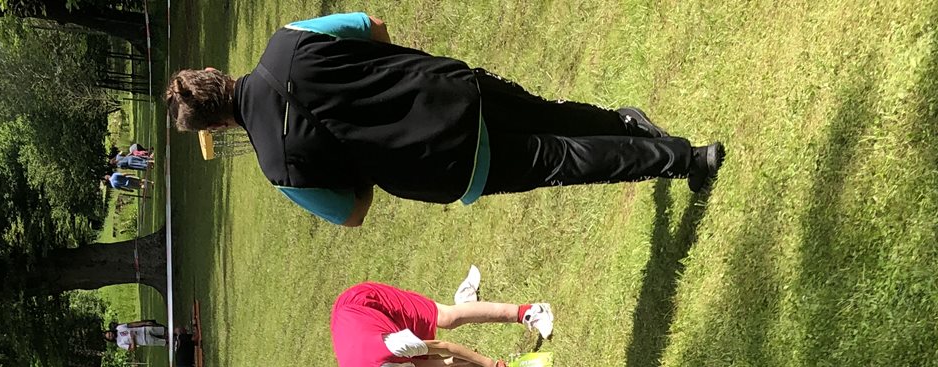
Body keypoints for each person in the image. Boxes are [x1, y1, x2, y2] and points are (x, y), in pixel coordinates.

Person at [162, 13, 723, 227]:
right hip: (452, 91)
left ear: (217, 128)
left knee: (563, 160)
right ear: (214, 72)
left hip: (445, 163)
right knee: (549, 117)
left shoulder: (278, 167)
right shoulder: (289, 41)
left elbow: (352, 212)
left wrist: (360, 162)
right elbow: (371, 27)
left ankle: (683, 157)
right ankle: (632, 128)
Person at [329, 281, 551, 367]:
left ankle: (529, 312)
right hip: (361, 335)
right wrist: (451, 364)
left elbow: (446, 347)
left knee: (447, 318)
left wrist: (492, 364)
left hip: (362, 303)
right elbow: (437, 364)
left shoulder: (395, 346)